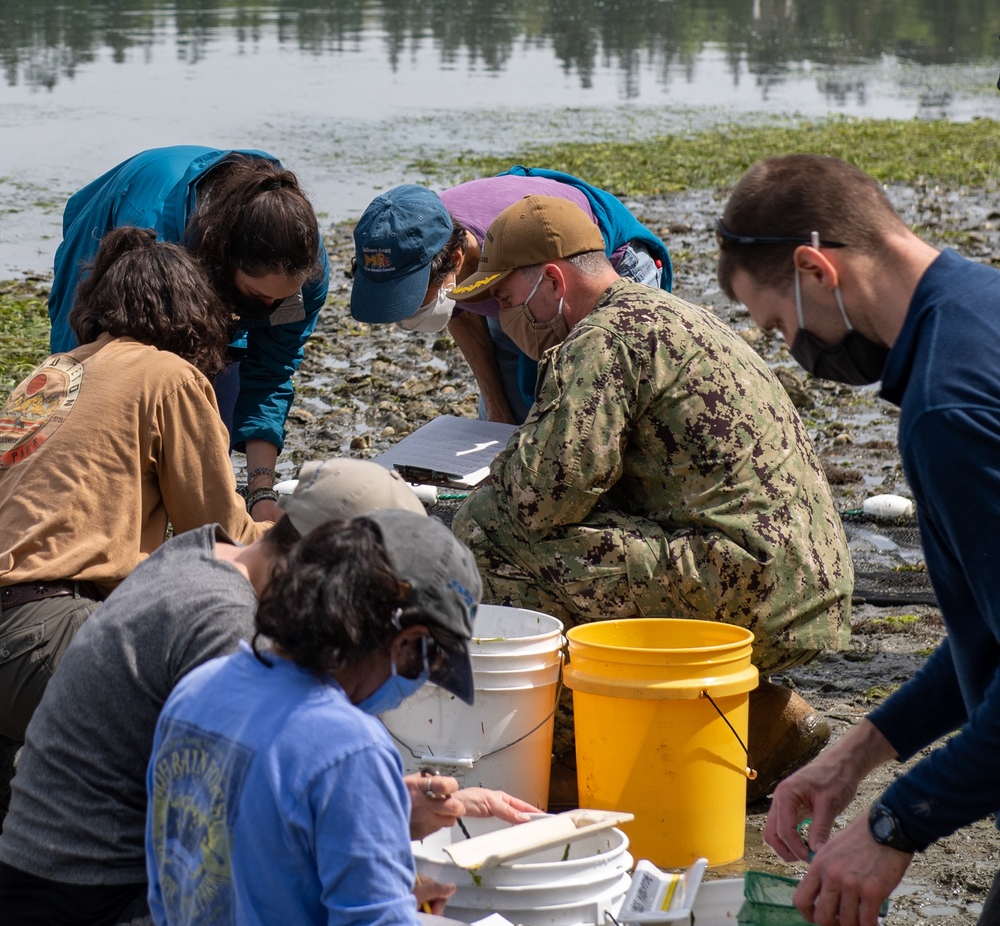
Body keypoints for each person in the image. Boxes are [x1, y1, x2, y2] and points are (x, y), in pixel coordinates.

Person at [0, 459, 536, 926]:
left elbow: (250, 774)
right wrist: (376, 851)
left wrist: (379, 803)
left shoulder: (202, 563)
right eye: (428, 661)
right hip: (83, 895)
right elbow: (266, 801)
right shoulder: (226, 625)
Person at [449, 195, 853, 800]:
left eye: (506, 302)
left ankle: (583, 754)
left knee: (480, 543)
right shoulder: (671, 316)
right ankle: (757, 717)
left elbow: (534, 502)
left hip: (746, 581)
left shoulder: (600, 340)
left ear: (552, 282)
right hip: (807, 582)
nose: (503, 321)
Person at [716, 153, 1000, 926]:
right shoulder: (986, 303)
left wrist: (896, 821)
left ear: (816, 267)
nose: (792, 350)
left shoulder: (947, 410)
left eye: (779, 325)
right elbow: (990, 630)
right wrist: (861, 749)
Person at [0, 227, 268, 754]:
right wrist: (284, 530)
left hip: (14, 630)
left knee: (35, 821)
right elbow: (220, 537)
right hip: (49, 632)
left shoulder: (49, 374)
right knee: (222, 735)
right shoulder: (169, 376)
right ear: (194, 315)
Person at [145, 509, 483, 926]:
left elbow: (168, 887)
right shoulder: (352, 750)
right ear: (408, 641)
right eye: (430, 664)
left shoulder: (194, 692)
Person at [48, 146, 331, 521]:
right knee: (95, 376)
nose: (269, 309)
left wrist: (261, 489)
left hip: (214, 258)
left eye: (280, 300)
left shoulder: (302, 270)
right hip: (133, 208)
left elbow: (271, 371)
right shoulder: (160, 234)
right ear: (226, 263)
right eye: (259, 296)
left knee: (214, 401)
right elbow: (145, 368)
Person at [349, 165, 673, 423]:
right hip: (518, 284)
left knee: (595, 409)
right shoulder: (431, 238)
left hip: (600, 263)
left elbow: (567, 318)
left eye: (413, 293)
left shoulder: (519, 249)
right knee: (501, 422)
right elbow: (460, 315)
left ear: (456, 261)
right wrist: (496, 406)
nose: (409, 309)